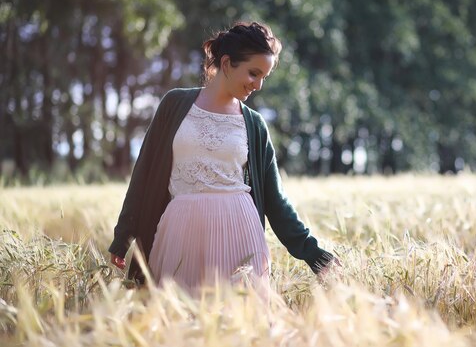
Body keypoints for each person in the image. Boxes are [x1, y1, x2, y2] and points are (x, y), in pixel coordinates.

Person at [108, 21, 337, 295]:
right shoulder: (174, 105)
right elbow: (143, 176)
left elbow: (276, 202)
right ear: (227, 63)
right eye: (253, 73)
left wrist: (315, 255)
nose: (259, 85)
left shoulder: (255, 124)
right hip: (179, 235)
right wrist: (122, 238)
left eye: (264, 76)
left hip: (239, 237)